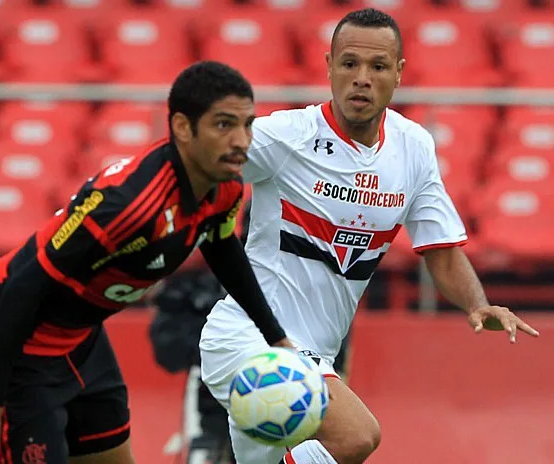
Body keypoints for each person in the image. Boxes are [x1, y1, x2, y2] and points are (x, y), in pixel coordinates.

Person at [199, 8, 540, 464]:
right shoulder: (287, 136)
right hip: (251, 339)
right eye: (349, 64)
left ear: (398, 73)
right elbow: (196, 161)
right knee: (357, 436)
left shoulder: (412, 147)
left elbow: (440, 250)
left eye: (377, 67)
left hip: (314, 357)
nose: (361, 78)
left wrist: (478, 304)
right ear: (328, 66)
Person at [0, 60, 293, 464]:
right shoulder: (127, 206)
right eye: (224, 125)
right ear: (183, 127)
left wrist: (277, 339)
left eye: (247, 124)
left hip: (80, 337)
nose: (241, 140)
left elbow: (224, 252)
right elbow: (24, 287)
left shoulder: (224, 187)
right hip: (10, 337)